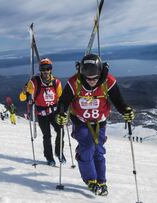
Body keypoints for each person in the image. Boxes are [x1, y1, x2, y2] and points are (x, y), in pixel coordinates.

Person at [56, 54, 135, 196]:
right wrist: (60, 114)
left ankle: (101, 181)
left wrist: (126, 110)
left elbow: (118, 101)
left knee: (98, 150)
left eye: (95, 78)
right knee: (87, 146)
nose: (92, 81)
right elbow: (63, 101)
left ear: (100, 72)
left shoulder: (108, 81)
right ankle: (90, 179)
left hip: (100, 122)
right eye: (88, 78)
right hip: (81, 121)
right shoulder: (75, 82)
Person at [19, 58, 64, 166]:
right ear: (40, 70)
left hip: (54, 112)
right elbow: (22, 98)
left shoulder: (56, 82)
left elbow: (60, 98)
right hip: (42, 114)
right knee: (47, 136)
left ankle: (59, 152)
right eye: (43, 69)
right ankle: (49, 157)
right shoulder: (34, 82)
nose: (46, 71)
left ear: (51, 69)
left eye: (48, 68)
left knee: (61, 131)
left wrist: (62, 109)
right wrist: (24, 92)